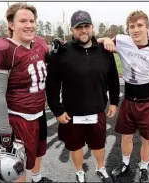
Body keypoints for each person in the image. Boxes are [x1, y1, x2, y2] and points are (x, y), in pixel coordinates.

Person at [98, 10, 149, 182]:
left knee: (147, 139)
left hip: (148, 102)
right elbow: (98, 41)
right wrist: (107, 39)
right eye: (131, 27)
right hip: (128, 100)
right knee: (126, 136)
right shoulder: (123, 42)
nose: (135, 30)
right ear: (128, 30)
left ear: (147, 28)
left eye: (139, 25)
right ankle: (125, 164)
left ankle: (144, 166)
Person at [0, 3, 52, 183]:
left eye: (32, 21)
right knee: (15, 163)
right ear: (11, 24)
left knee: (38, 151)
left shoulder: (40, 44)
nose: (29, 25)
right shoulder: (5, 50)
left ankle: (37, 178)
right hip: (18, 117)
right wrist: (5, 130)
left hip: (39, 112)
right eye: (23, 21)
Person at [46, 10, 120, 183]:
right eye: (79, 28)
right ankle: (79, 171)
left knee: (99, 144)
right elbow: (52, 84)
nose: (83, 31)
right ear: (72, 30)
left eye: (86, 26)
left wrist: (114, 102)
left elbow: (113, 79)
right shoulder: (62, 52)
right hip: (72, 113)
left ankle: (101, 168)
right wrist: (57, 110)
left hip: (96, 110)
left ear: (92, 27)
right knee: (75, 145)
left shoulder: (105, 50)